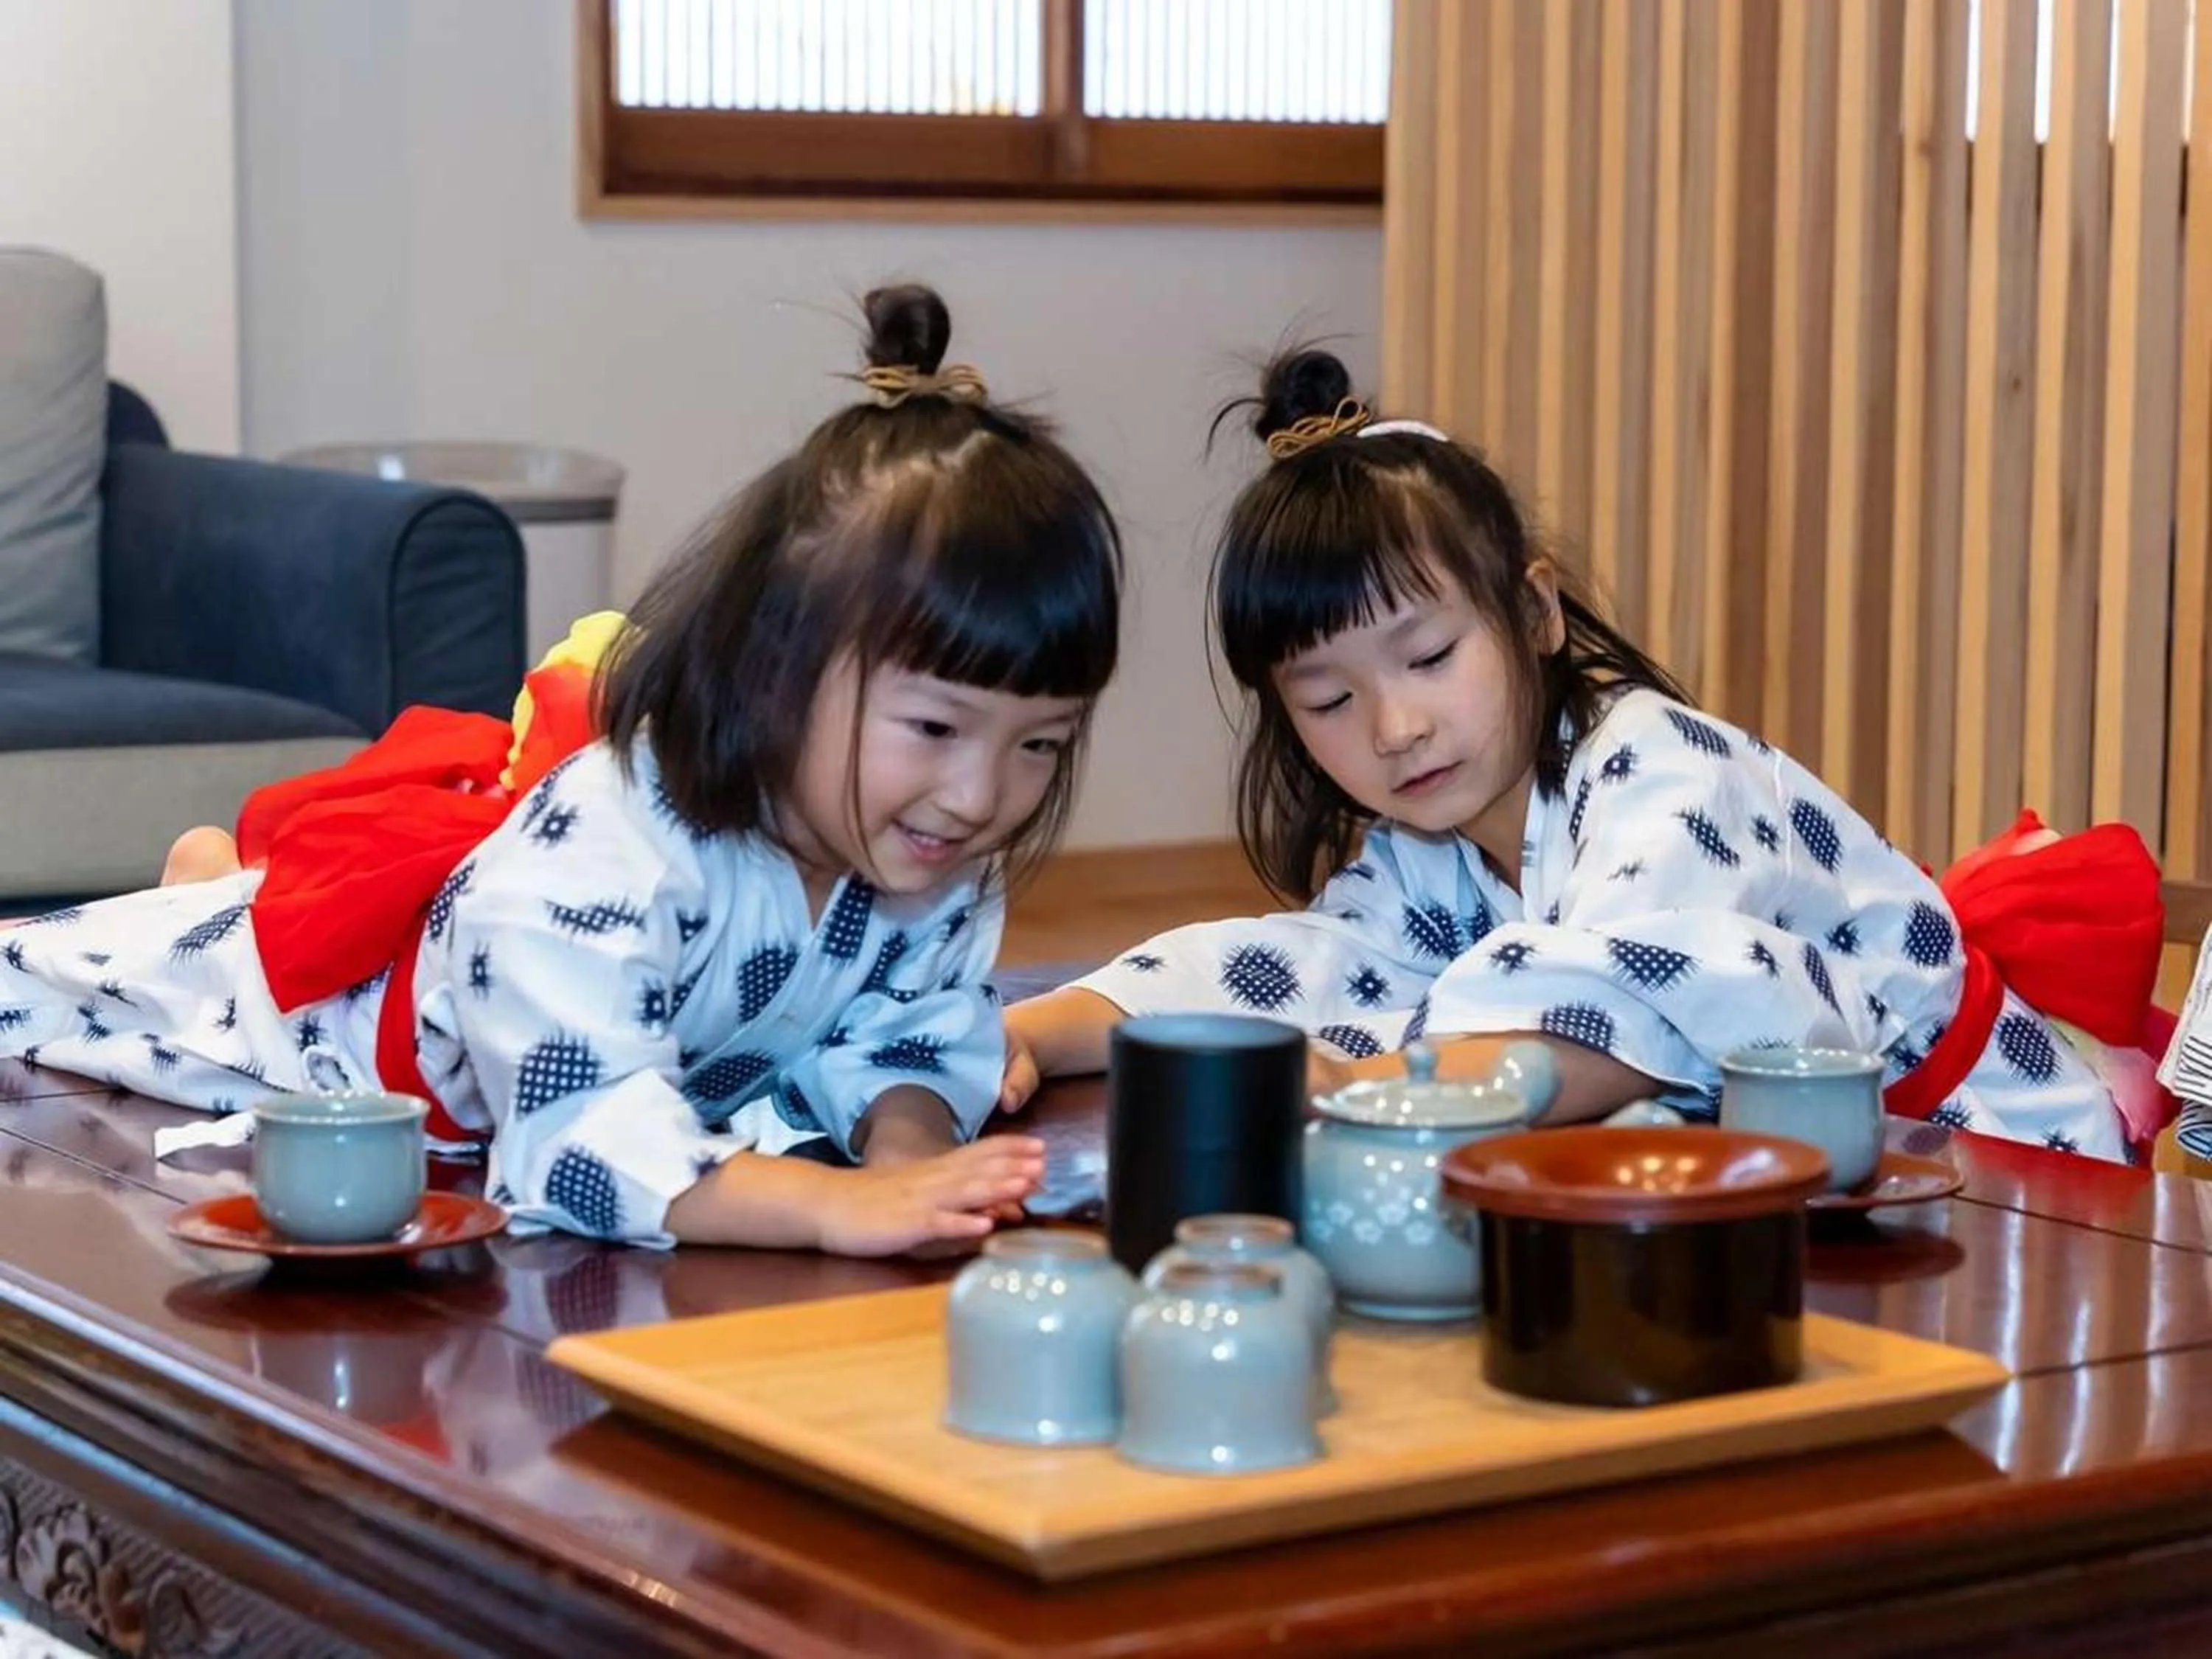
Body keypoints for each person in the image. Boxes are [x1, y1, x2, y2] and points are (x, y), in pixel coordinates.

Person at [0, 283, 1126, 1247]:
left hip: (484, 978)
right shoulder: (614, 837)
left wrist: (909, 1160)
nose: (981, 796)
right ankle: (213, 900)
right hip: (331, 1035)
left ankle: (214, 888)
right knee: (61, 988)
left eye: (1039, 744)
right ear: (780, 662)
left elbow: (915, 1033)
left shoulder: (934, 850)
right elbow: (575, 1128)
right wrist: (825, 1211)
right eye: (934, 728)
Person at [1000, 346, 2165, 1163]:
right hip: (1818, 1185)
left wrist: (1367, 1089)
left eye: (1431, 654)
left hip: (1996, 1176)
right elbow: (1308, 966)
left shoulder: (1665, 773)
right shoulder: (1431, 844)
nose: (1394, 725)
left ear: (1538, 612)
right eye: (1328, 697)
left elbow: (1635, 1015)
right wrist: (1041, 1030)